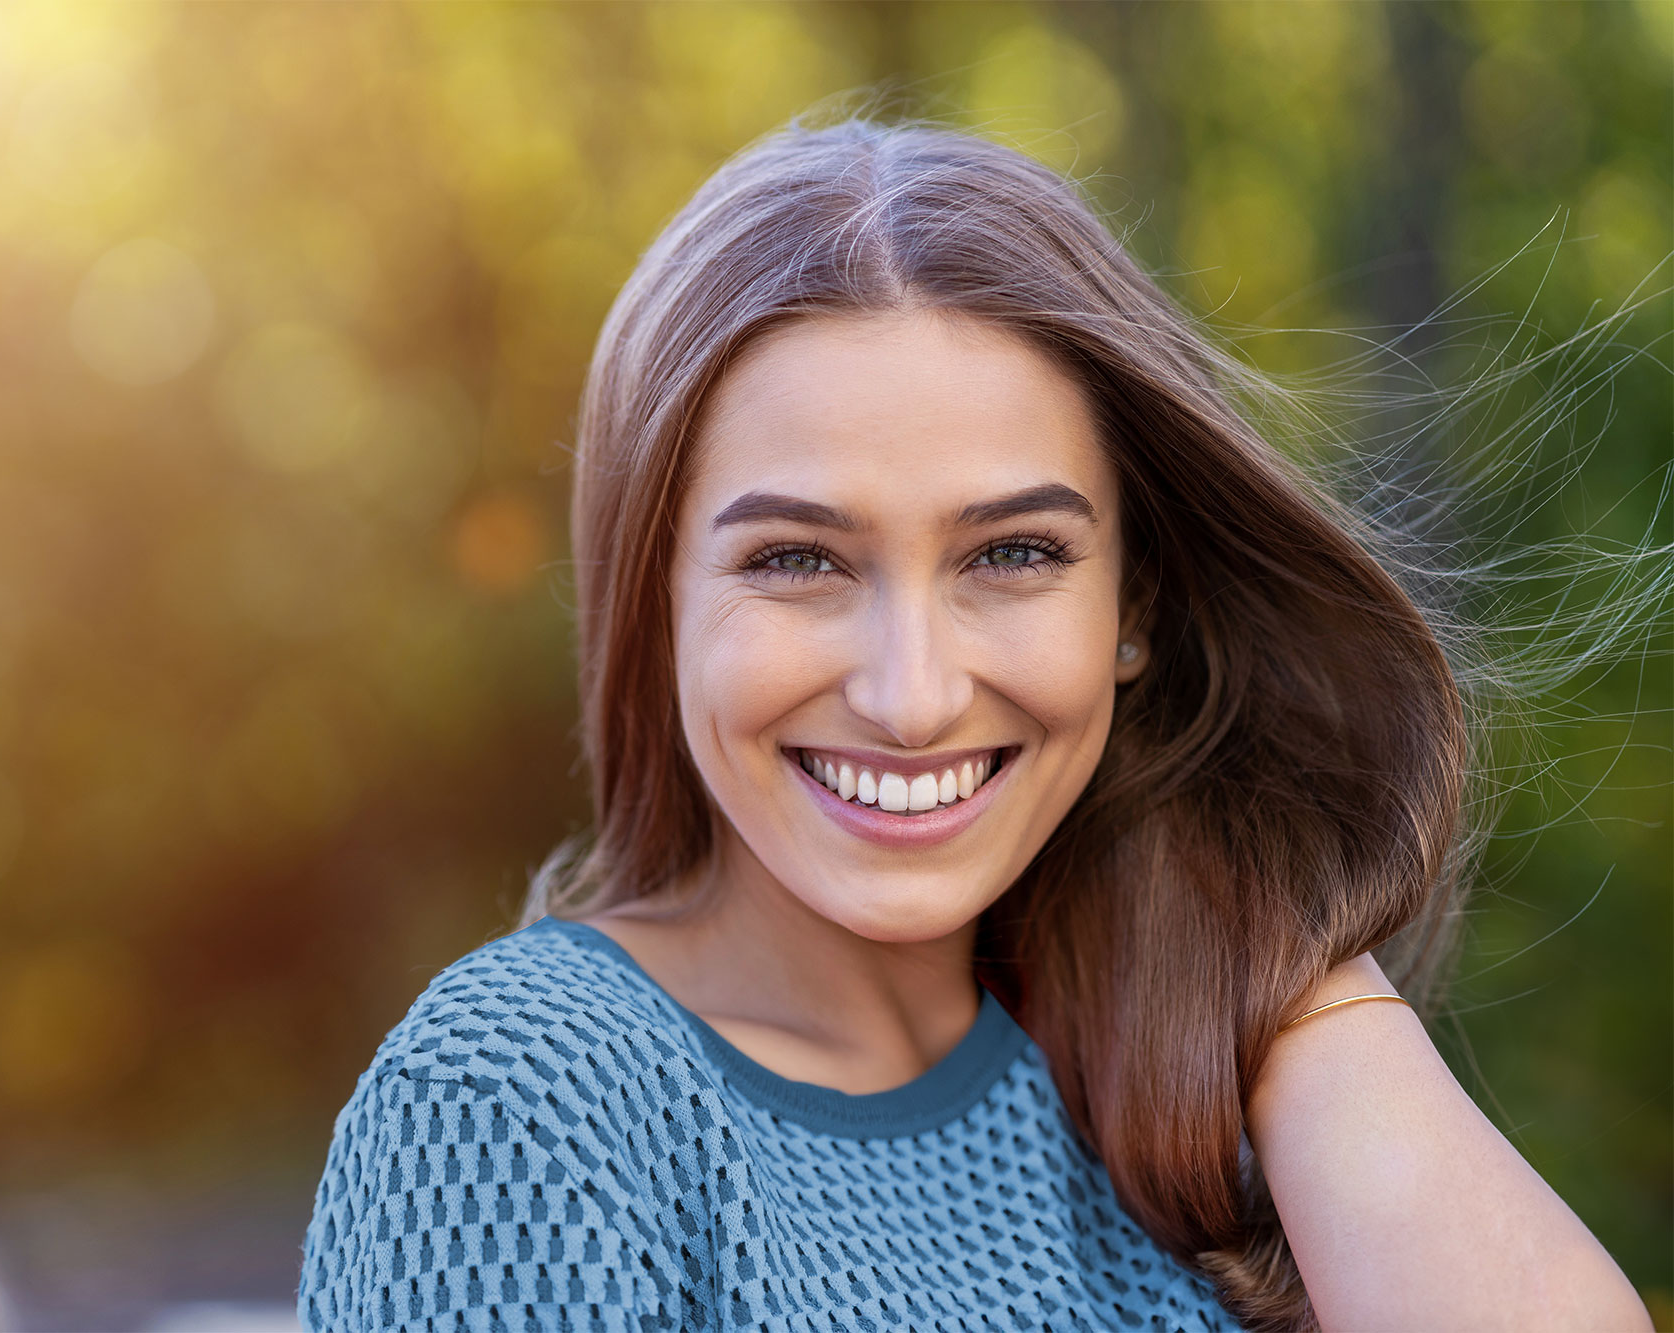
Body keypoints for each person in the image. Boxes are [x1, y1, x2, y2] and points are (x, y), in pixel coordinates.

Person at [296, 114, 1654, 1332]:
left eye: (1010, 555)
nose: (913, 693)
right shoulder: (520, 1101)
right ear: (654, 599)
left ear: (1136, 606)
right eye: (797, 560)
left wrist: (1278, 952)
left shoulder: (1189, 1078)